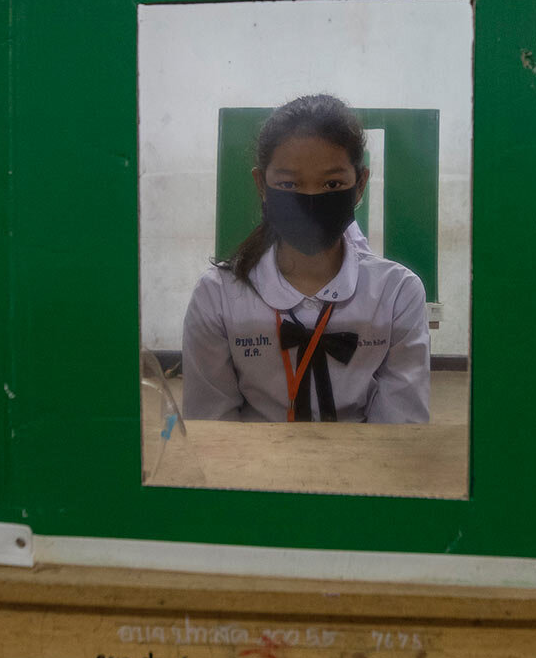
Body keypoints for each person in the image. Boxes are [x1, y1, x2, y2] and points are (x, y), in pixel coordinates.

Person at [181, 94, 430, 424]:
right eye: (288, 183)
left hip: (364, 470)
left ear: (360, 185)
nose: (311, 198)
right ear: (261, 185)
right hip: (252, 471)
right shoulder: (217, 296)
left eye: (332, 183)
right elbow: (212, 427)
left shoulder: (397, 292)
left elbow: (401, 429)